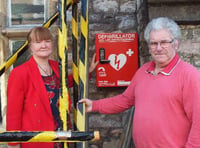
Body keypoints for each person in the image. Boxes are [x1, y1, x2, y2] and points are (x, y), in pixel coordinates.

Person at [80, 17, 200, 147]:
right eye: (153, 43)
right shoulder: (143, 71)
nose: (158, 48)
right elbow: (125, 100)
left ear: (175, 43)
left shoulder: (189, 75)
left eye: (164, 42)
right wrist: (94, 105)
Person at [6, 27, 97, 148]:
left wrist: (88, 72)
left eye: (47, 41)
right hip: (37, 139)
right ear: (30, 46)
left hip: (60, 136)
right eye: (38, 42)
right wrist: (13, 143)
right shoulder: (19, 73)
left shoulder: (56, 67)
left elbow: (63, 84)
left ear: (52, 43)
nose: (43, 45)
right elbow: (13, 112)